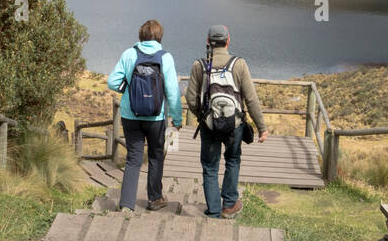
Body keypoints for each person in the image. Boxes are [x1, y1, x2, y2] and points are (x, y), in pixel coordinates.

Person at [184, 24, 267, 219]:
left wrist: (202, 116)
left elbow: (190, 98)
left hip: (209, 125)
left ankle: (213, 210)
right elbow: (251, 99)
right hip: (234, 126)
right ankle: (229, 204)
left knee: (210, 166)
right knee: (233, 159)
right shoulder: (239, 64)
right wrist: (262, 128)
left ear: (208, 42)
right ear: (228, 41)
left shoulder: (199, 65)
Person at [106, 19, 182, 211]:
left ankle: (126, 204)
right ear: (159, 36)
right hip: (156, 118)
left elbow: (112, 82)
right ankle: (155, 198)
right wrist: (177, 119)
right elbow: (172, 91)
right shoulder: (166, 57)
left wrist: (129, 88)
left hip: (130, 115)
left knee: (134, 158)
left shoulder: (129, 54)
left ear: (141, 35)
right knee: (156, 155)